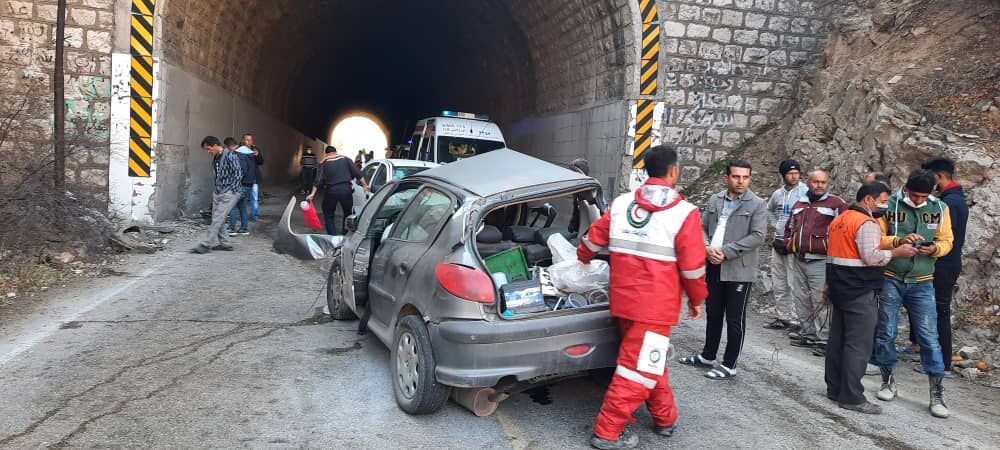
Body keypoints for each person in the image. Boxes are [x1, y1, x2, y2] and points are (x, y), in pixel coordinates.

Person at [576, 145, 707, 449]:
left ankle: (665, 418)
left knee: (648, 360)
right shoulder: (684, 213)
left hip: (623, 302)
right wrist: (696, 299)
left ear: (647, 170)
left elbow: (591, 240)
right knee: (637, 368)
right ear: (674, 172)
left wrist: (582, 259)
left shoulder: (621, 204)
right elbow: (692, 268)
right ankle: (607, 432)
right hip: (655, 308)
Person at [824, 182, 918, 414]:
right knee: (859, 345)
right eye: (883, 200)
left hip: (839, 288)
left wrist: (827, 288)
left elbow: (835, 255)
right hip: (859, 289)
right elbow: (872, 257)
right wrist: (897, 252)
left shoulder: (841, 219)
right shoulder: (867, 223)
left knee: (838, 341)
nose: (885, 205)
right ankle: (852, 397)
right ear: (869, 200)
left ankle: (835, 389)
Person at [872, 169, 954, 418]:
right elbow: (876, 236)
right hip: (891, 277)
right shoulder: (890, 204)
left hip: (923, 280)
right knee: (886, 332)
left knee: (929, 337)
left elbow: (948, 240)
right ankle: (887, 381)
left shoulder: (940, 208)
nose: (918, 201)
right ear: (906, 188)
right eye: (915, 195)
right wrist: (898, 241)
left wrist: (935, 249)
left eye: (923, 197)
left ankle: (937, 394)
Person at [679, 160, 767, 380]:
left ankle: (730, 364)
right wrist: (707, 247)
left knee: (734, 318)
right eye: (736, 177)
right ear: (726, 177)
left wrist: (726, 252)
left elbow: (758, 236)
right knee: (714, 313)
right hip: (713, 265)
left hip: (738, 269)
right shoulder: (715, 200)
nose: (741, 181)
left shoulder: (757, 204)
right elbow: (702, 227)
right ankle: (708, 355)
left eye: (745, 177)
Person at [784, 170, 847, 355]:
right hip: (798, 258)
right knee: (801, 297)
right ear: (808, 182)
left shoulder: (837, 204)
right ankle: (808, 334)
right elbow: (789, 227)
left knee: (821, 300)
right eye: (816, 182)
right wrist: (789, 243)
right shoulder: (799, 203)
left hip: (821, 261)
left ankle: (825, 340)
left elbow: (844, 230)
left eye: (823, 182)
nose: (820, 185)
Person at [920, 157, 968, 377]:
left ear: (938, 176)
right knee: (938, 311)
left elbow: (941, 236)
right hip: (946, 263)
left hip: (943, 264)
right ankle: (938, 360)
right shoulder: (954, 199)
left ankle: (942, 364)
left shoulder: (949, 204)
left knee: (939, 312)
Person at [763, 159, 808, 331]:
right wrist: (776, 225)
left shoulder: (805, 192)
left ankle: (797, 320)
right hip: (779, 241)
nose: (794, 176)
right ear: (783, 175)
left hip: (795, 243)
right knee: (779, 281)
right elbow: (768, 209)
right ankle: (783, 317)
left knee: (793, 282)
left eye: (796, 173)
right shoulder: (778, 194)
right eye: (790, 173)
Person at [192, 136, 243, 254]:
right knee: (218, 218)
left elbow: (238, 174)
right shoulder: (216, 157)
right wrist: (217, 191)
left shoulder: (231, 155)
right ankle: (225, 244)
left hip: (229, 192)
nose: (208, 152)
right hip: (218, 191)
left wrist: (231, 191)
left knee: (217, 219)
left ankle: (206, 244)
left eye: (209, 149)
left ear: (215, 145)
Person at [306, 146, 371, 235]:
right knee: (348, 213)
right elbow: (357, 173)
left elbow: (318, 180)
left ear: (326, 154)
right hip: (346, 189)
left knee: (329, 214)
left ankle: (332, 237)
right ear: (336, 152)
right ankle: (345, 233)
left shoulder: (324, 163)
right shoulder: (346, 159)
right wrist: (365, 185)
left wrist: (312, 193)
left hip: (331, 190)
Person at [226, 137, 254, 236]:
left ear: (230, 146)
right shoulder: (249, 154)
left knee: (232, 205)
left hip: (241, 184)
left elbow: (241, 170)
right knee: (242, 206)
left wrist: (234, 183)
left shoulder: (239, 155)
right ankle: (244, 228)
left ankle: (231, 229)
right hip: (249, 184)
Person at [241, 133, 263, 221]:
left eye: (251, 140)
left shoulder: (255, 149)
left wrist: (257, 155)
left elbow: (261, 162)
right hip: (243, 179)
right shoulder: (240, 149)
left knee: (254, 198)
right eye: (247, 140)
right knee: (242, 199)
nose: (249, 142)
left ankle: (254, 216)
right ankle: (243, 216)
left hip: (254, 178)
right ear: (243, 140)